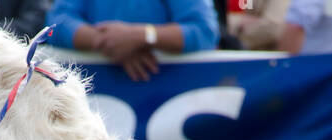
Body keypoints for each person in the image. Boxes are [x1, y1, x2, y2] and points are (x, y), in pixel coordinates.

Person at [44, 0, 220, 80]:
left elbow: (205, 31)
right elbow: (56, 22)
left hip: (164, 93)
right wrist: (109, 42)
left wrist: (143, 36)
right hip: (96, 99)